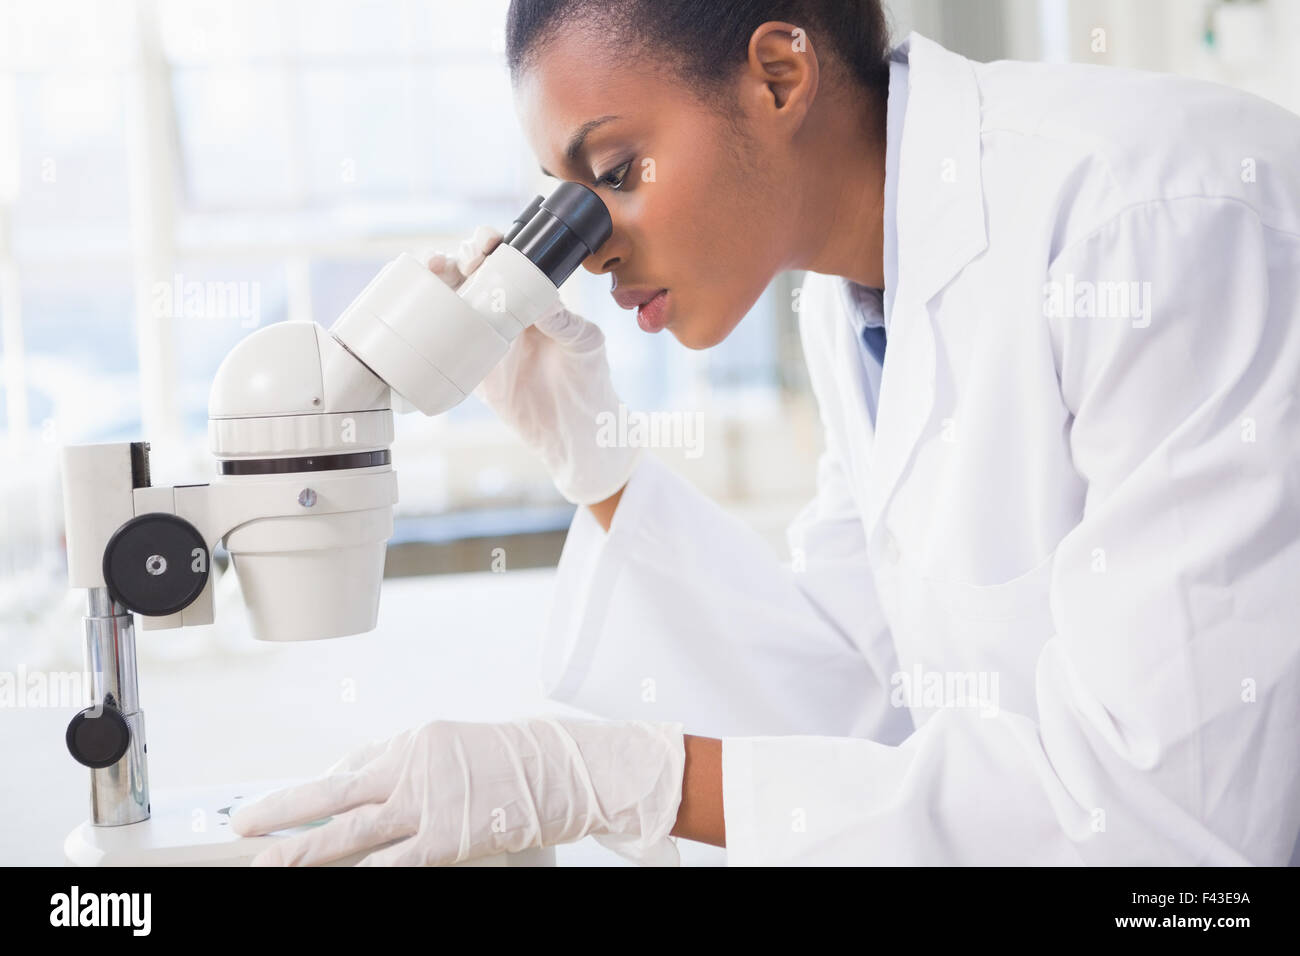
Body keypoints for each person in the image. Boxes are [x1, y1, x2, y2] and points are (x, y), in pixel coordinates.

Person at [232, 0, 1300, 866]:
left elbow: (1177, 831)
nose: (591, 250)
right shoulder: (856, 309)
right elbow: (848, 714)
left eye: (613, 173)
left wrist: (609, 777)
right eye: (562, 203)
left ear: (779, 74)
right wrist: (596, 465)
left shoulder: (1152, 215)